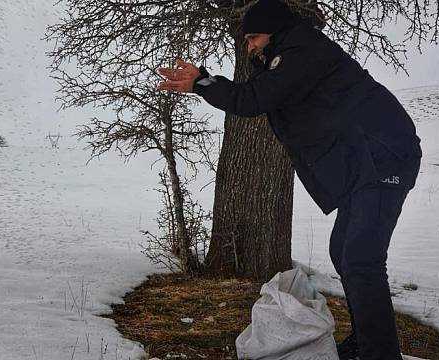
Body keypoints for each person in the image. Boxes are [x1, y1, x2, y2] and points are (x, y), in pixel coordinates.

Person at [157, 0, 422, 359]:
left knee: (361, 259)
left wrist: (203, 82)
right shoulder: (288, 54)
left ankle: (379, 354)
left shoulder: (303, 50)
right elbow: (262, 90)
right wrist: (220, 76)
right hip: (364, 163)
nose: (249, 46)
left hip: (383, 156)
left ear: (275, 31)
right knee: (344, 252)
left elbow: (253, 99)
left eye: (254, 37)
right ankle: (365, 343)